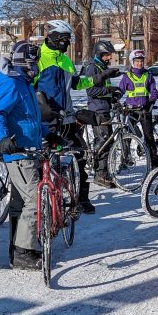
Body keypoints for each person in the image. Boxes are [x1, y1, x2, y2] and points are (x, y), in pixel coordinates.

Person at [35, 20, 117, 213]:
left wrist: (99, 78)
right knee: (42, 161)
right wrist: (40, 104)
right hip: (46, 119)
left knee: (80, 155)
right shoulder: (38, 58)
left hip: (67, 118)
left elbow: (76, 84)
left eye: (68, 40)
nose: (67, 44)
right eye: (64, 39)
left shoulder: (65, 60)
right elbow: (29, 86)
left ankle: (81, 198)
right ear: (54, 37)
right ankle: (40, 202)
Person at [0, 41, 50, 270]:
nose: (36, 67)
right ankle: (23, 253)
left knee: (20, 202)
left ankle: (18, 248)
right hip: (18, 152)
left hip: (30, 149)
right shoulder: (12, 84)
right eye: (32, 63)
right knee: (34, 199)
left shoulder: (24, 83)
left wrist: (48, 134)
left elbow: (29, 118)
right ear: (23, 63)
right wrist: (3, 138)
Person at [80, 39, 123, 188]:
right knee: (104, 141)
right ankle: (100, 175)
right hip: (97, 110)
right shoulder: (92, 67)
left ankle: (103, 170)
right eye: (107, 55)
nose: (109, 57)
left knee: (106, 141)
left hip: (104, 108)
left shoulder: (101, 66)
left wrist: (113, 95)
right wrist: (108, 91)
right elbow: (91, 91)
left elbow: (103, 88)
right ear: (99, 53)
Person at [116, 49, 158, 164]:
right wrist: (115, 98)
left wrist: (151, 101)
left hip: (144, 110)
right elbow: (120, 90)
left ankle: (154, 162)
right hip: (131, 110)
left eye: (141, 61)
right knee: (127, 135)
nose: (139, 63)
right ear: (132, 62)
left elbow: (154, 92)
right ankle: (125, 159)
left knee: (149, 137)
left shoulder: (148, 75)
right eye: (137, 61)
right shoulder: (127, 76)